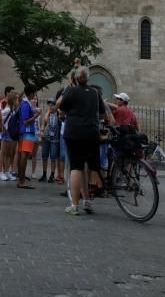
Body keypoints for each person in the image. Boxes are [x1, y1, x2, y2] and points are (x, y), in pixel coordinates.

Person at [57, 65, 105, 215]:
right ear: (87, 79)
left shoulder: (71, 91)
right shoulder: (95, 93)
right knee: (86, 167)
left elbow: (62, 111)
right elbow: (102, 114)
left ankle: (74, 204)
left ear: (76, 79)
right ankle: (87, 201)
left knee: (76, 168)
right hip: (91, 133)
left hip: (75, 133)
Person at [17, 83, 40, 189]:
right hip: (27, 132)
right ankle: (22, 181)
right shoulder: (26, 104)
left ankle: (21, 179)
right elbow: (26, 122)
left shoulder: (24, 103)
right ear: (30, 93)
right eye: (34, 93)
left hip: (24, 132)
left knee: (23, 155)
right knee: (24, 155)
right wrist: (36, 115)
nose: (35, 95)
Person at [0, 90, 18, 181]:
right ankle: (0, 172)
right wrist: (2, 126)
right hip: (6, 133)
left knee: (9, 153)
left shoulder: (12, 110)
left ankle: (6, 171)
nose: (18, 101)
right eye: (16, 99)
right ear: (13, 100)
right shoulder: (8, 109)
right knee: (3, 152)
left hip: (10, 133)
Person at [39, 97, 60, 182]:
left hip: (55, 138)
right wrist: (42, 132)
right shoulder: (46, 113)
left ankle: (52, 174)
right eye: (49, 105)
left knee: (53, 157)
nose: (51, 106)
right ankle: (44, 174)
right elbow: (43, 123)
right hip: (46, 138)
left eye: (52, 105)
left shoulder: (58, 114)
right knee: (44, 156)